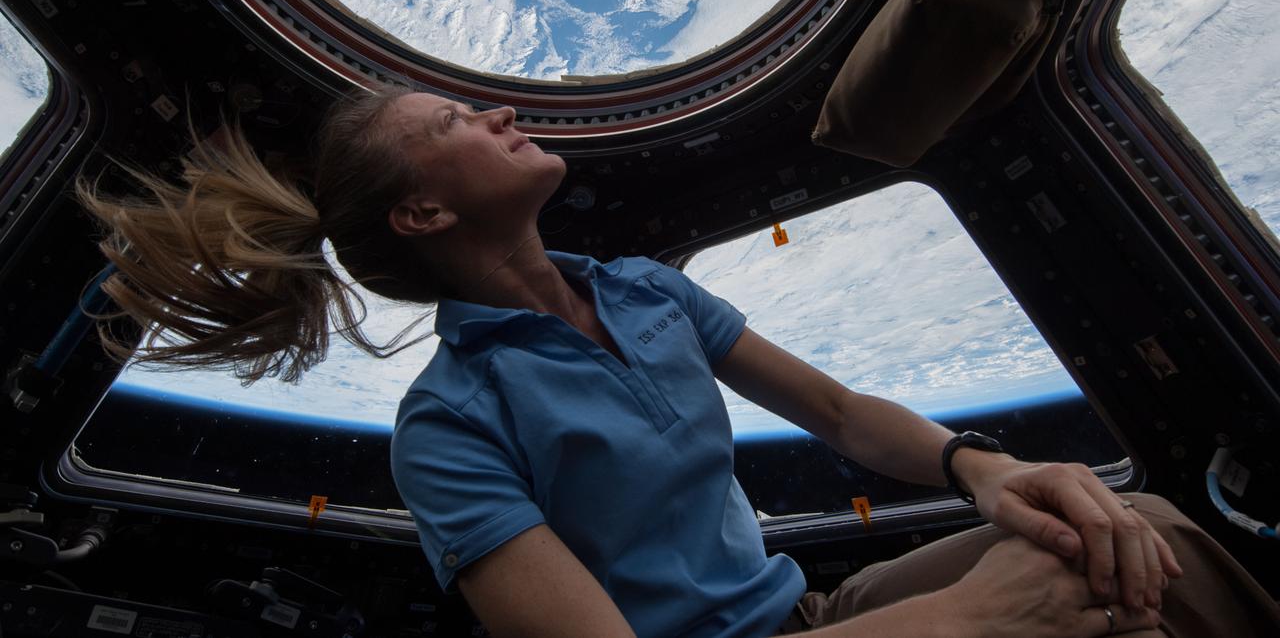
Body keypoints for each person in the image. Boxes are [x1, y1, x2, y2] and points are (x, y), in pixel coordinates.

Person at [78, 87, 1280, 638]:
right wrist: (967, 615)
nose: (499, 115)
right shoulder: (450, 427)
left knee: (1141, 531)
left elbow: (847, 415)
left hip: (809, 613)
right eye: (452, 125)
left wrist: (986, 472)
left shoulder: (643, 289)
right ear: (423, 216)